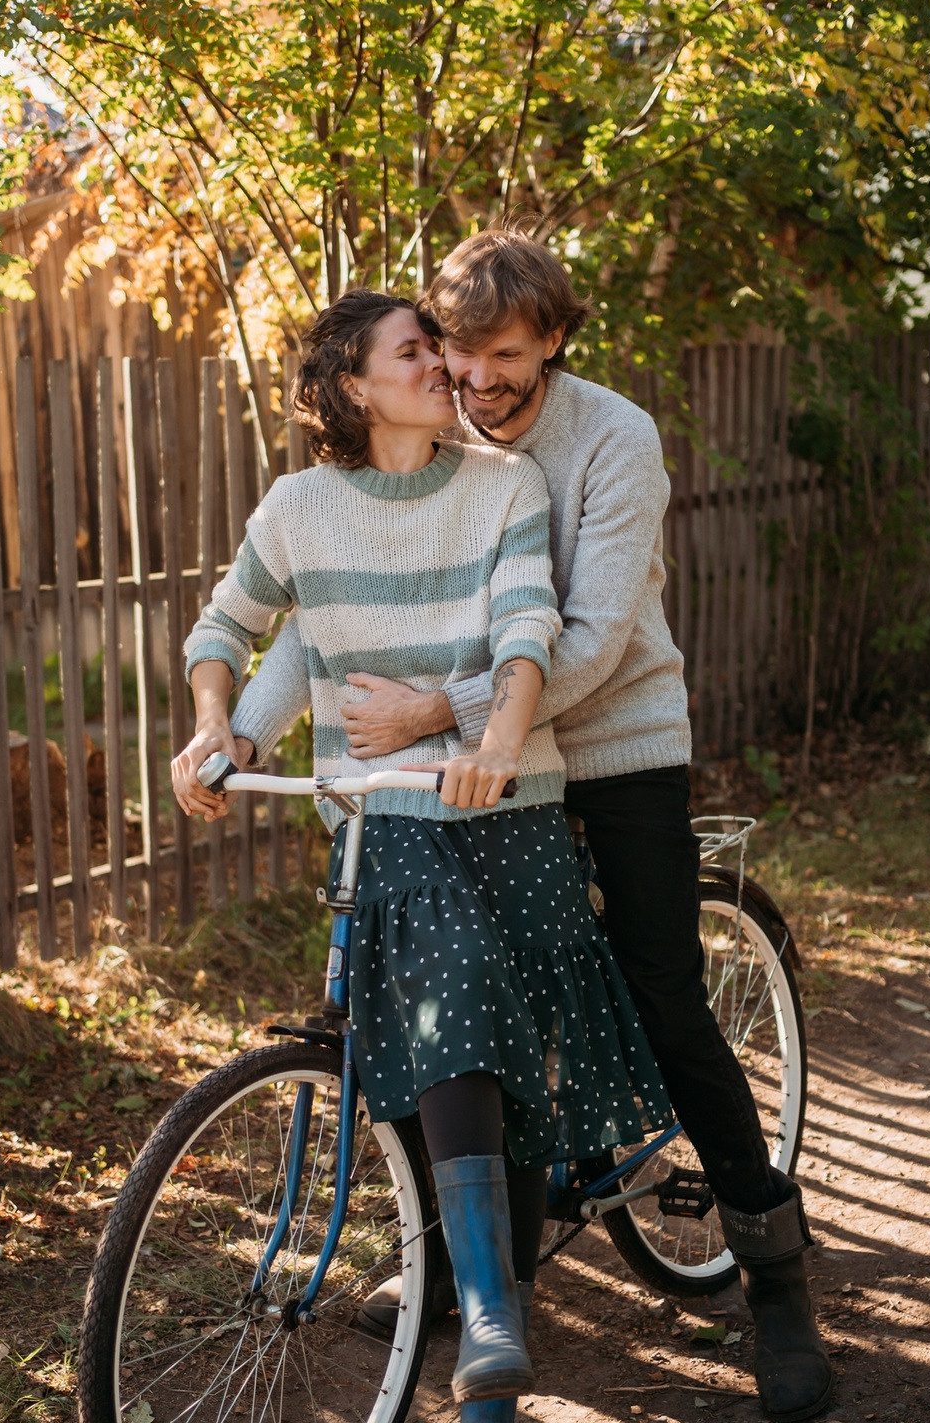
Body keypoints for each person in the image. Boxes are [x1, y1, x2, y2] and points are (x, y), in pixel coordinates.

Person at [223, 231, 834, 1423]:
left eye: (503, 355)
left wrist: (438, 711)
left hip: (608, 745)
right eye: (453, 349)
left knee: (662, 998)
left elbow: (593, 637)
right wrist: (243, 726)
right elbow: (327, 598)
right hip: (457, 765)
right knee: (452, 990)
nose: (477, 377)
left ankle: (773, 1281)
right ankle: (470, 1262)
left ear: (552, 339)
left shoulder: (612, 438)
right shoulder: (431, 431)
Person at [171, 289, 672, 1419]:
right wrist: (220, 728)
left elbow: (522, 630)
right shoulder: (299, 508)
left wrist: (494, 742)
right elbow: (239, 631)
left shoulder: (505, 485)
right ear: (354, 384)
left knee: (496, 1024)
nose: (443, 368)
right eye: (416, 352)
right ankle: (491, 1304)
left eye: (441, 352)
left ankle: (488, 1301)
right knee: (443, 991)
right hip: (384, 814)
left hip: (508, 802)